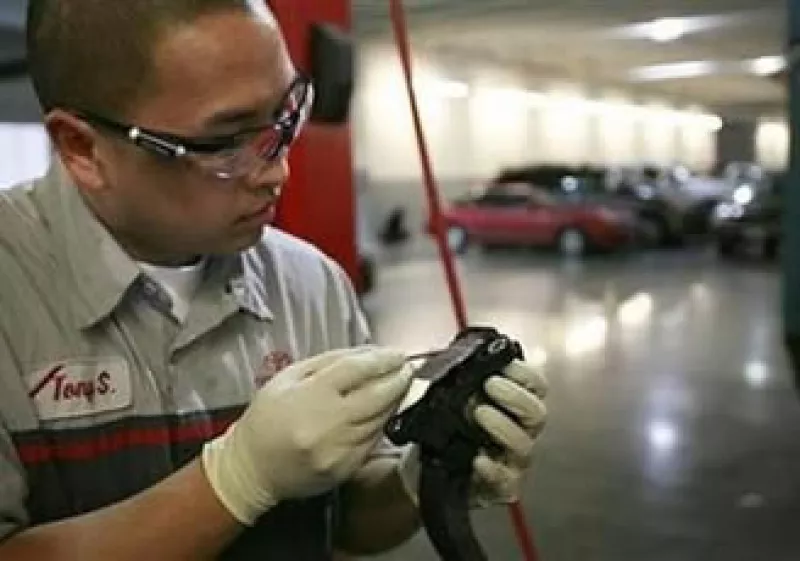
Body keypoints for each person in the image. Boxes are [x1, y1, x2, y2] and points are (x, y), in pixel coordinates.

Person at [0, 1, 549, 559]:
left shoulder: (309, 283)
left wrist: (420, 478)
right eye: (225, 143)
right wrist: (236, 480)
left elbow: (350, 525)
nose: (276, 170)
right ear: (82, 147)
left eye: (288, 113)